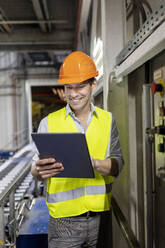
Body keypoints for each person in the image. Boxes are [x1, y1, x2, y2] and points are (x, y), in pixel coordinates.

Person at [31, 51, 124, 248]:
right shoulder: (48, 123)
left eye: (80, 86)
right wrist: (37, 170)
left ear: (93, 85)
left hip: (101, 217)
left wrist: (95, 164)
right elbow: (35, 168)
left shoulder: (108, 121)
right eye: (68, 88)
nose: (73, 94)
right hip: (63, 222)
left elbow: (117, 163)